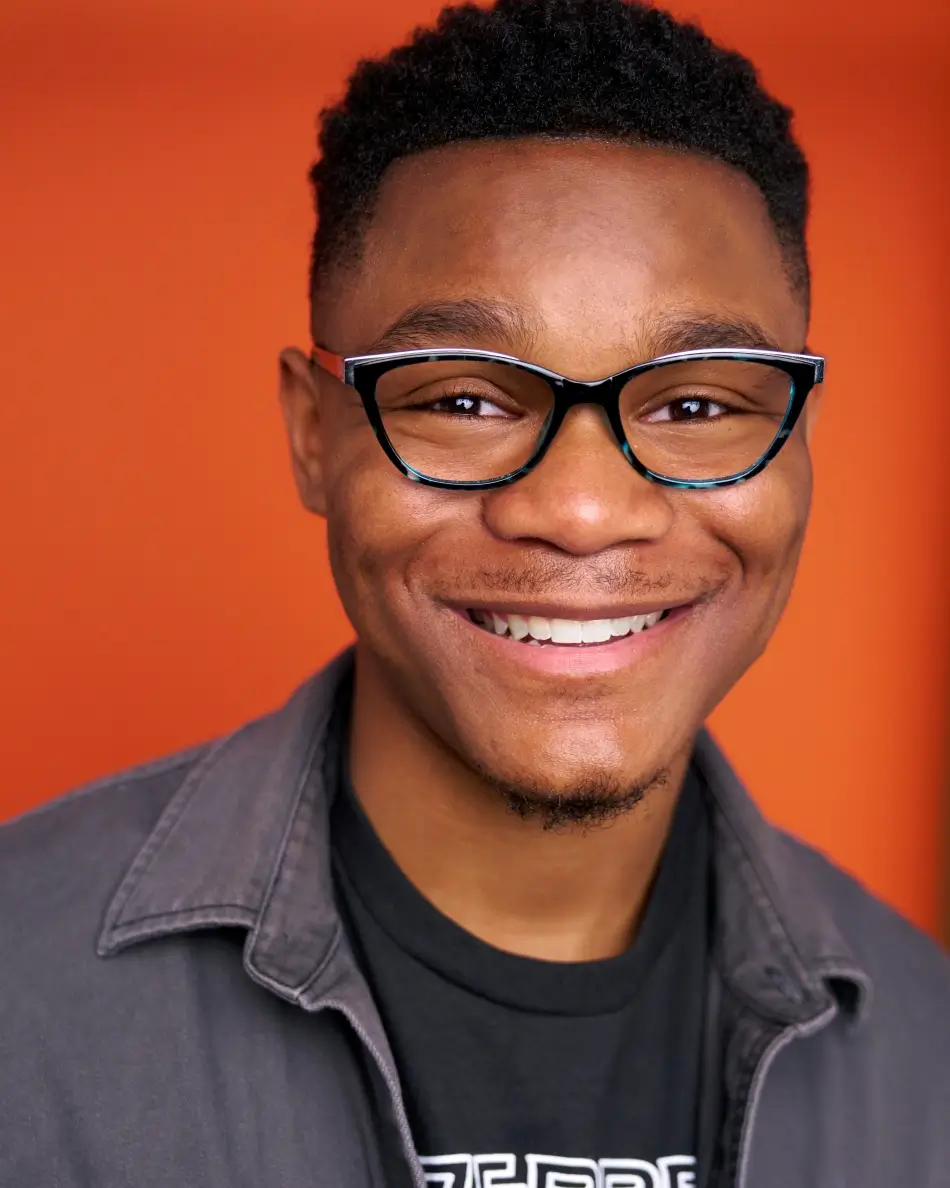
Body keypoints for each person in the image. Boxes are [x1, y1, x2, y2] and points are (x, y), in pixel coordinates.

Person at [3, 0, 949, 1184]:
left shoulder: (927, 1057)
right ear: (312, 434)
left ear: (799, 443)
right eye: (461, 399)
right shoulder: (19, 992)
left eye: (697, 404)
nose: (583, 508)